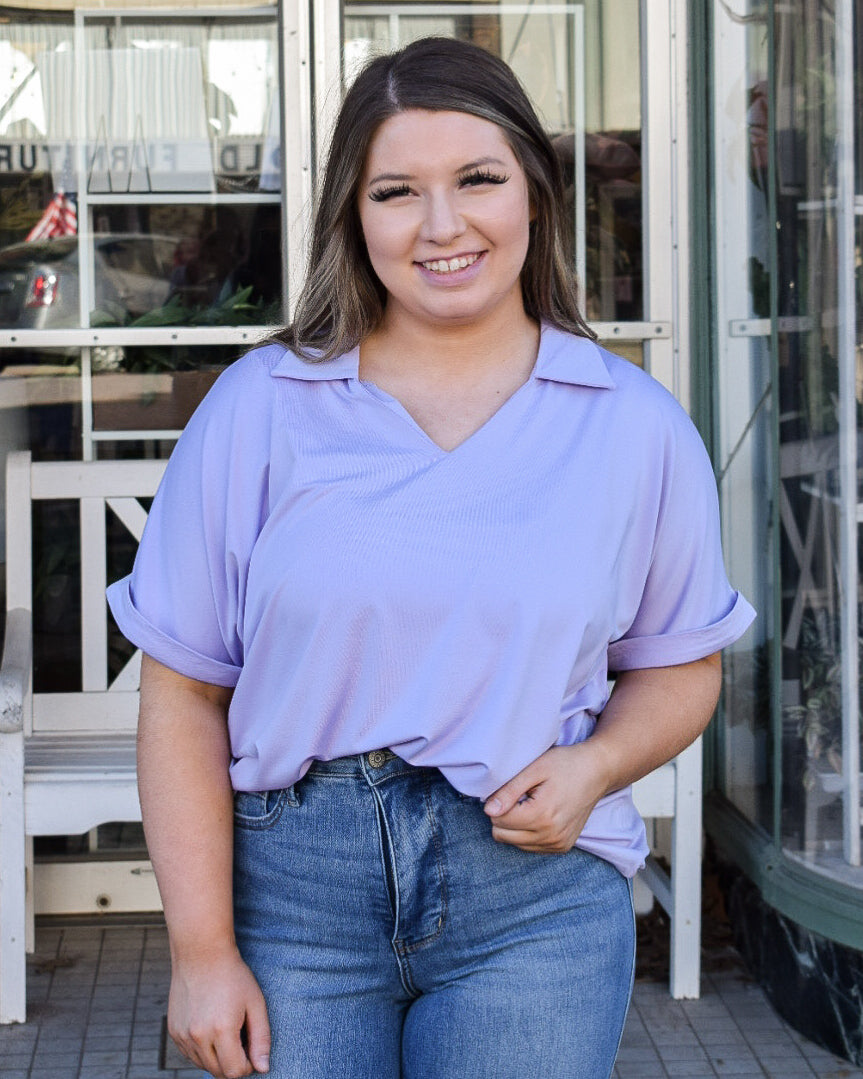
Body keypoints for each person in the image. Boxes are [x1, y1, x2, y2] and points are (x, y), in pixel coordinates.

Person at [107, 36, 755, 1079]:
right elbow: (182, 693)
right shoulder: (260, 409)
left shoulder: (631, 427)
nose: (441, 225)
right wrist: (199, 946)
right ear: (353, 217)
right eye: (397, 190)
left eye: (478, 179)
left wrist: (594, 764)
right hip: (291, 901)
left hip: (530, 900)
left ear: (534, 195)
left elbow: (679, 664)